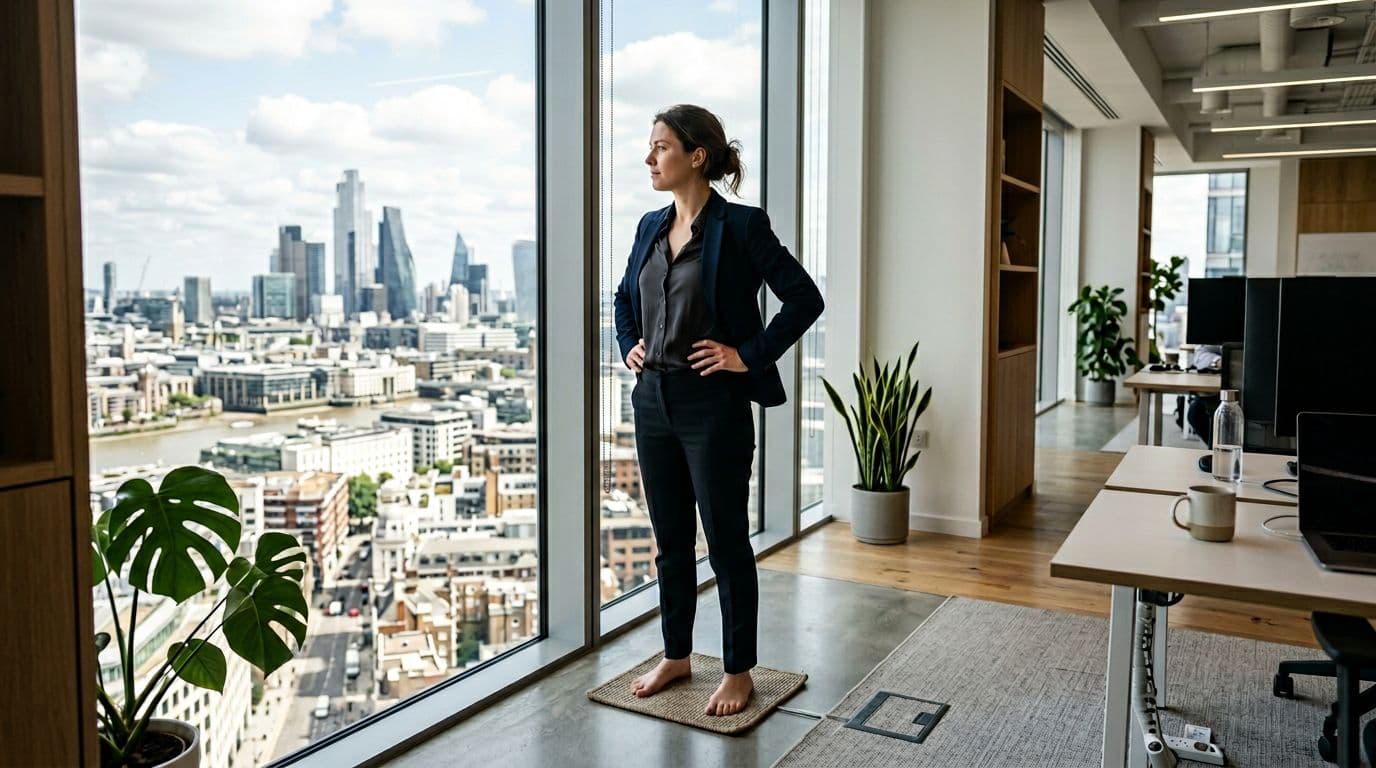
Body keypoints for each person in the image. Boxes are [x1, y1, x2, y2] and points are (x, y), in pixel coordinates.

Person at [612, 104, 824, 717]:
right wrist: (630, 343)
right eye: (650, 149)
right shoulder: (649, 225)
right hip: (652, 400)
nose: (649, 159)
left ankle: (737, 670)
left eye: (660, 148)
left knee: (726, 541)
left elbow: (804, 298)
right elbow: (624, 298)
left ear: (696, 156)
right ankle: (677, 654)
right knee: (669, 541)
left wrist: (747, 355)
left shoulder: (740, 226)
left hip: (714, 405)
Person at [1185, 344, 1223, 446]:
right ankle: (1216, 451)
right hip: (1221, 385)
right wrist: (1218, 361)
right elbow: (1200, 354)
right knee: (1196, 412)